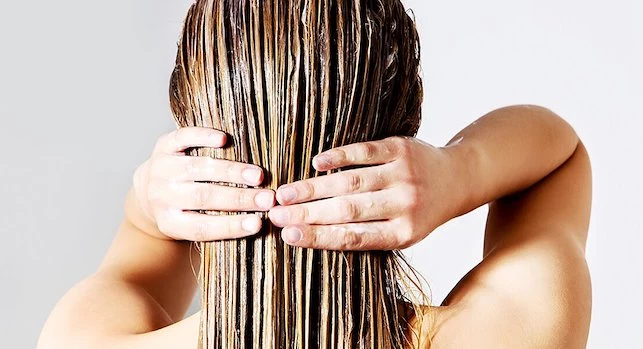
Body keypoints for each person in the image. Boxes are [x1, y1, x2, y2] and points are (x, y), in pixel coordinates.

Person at [37, 1, 592, 348]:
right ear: (399, 134)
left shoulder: (83, 340)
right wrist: (460, 170)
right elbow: (559, 157)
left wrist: (146, 205)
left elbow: (132, 266)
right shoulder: (509, 335)